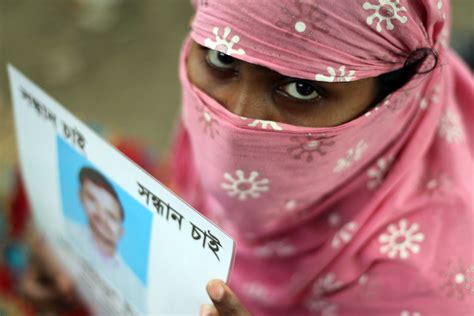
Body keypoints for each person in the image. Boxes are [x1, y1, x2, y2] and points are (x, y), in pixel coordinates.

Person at [17, 0, 473, 315]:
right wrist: (81, 258)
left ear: (392, 101)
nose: (236, 123)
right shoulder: (216, 91)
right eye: (219, 56)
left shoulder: (418, 284)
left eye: (302, 88)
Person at [64, 166, 146, 313]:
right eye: (92, 199)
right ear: (80, 196)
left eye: (111, 216)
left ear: (121, 231)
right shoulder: (65, 229)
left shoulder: (135, 287)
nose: (101, 216)